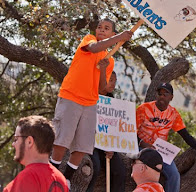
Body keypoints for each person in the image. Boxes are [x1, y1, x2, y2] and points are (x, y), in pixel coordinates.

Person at [50, 18, 133, 187]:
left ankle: (66, 177)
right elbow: (94, 48)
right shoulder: (89, 40)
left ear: (112, 33)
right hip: (71, 96)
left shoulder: (110, 60)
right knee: (62, 140)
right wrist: (119, 38)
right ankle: (51, 174)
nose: (101, 30)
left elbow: (103, 88)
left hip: (90, 103)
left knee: (83, 145)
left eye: (107, 28)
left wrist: (103, 68)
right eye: (100, 27)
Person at [136, 83, 196, 192]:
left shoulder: (173, 114)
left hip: (160, 151)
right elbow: (130, 131)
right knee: (148, 173)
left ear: (171, 97)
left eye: (165, 94)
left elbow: (185, 135)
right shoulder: (143, 109)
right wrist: (141, 143)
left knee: (174, 175)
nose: (162, 96)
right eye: (160, 93)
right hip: (141, 148)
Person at [3, 115, 69, 192]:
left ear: (29, 141)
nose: (13, 144)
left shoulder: (27, 178)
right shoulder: (61, 180)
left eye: (16, 139)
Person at [87, 71, 126, 192]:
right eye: (110, 80)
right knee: (95, 167)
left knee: (120, 171)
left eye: (115, 80)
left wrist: (111, 146)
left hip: (106, 145)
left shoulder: (111, 99)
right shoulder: (89, 95)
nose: (113, 84)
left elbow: (112, 125)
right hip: (89, 141)